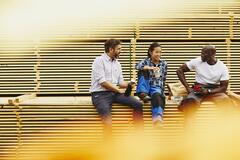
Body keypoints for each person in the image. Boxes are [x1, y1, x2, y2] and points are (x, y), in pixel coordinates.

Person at [90, 39, 143, 136]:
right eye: (118, 49)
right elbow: (103, 82)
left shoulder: (117, 64)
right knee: (107, 121)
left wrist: (129, 84)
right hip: (100, 95)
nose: (120, 51)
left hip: (114, 93)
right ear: (111, 49)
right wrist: (118, 90)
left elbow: (120, 82)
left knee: (138, 104)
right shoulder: (99, 61)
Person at [176, 45, 233, 127]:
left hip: (214, 89)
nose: (201, 55)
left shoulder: (222, 67)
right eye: (201, 53)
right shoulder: (197, 61)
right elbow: (179, 70)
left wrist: (208, 91)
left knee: (226, 101)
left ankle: (227, 129)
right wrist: (187, 87)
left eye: (204, 54)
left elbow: (224, 88)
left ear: (212, 54)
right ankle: (189, 130)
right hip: (198, 87)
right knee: (190, 101)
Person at [135, 42, 168, 128]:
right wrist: (150, 68)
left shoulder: (164, 63)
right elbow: (137, 66)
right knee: (143, 70)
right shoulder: (145, 61)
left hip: (155, 86)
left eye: (160, 52)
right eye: (156, 52)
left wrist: (162, 91)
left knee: (158, 95)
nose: (159, 54)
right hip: (145, 85)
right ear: (150, 52)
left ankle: (157, 118)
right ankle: (143, 93)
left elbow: (163, 78)